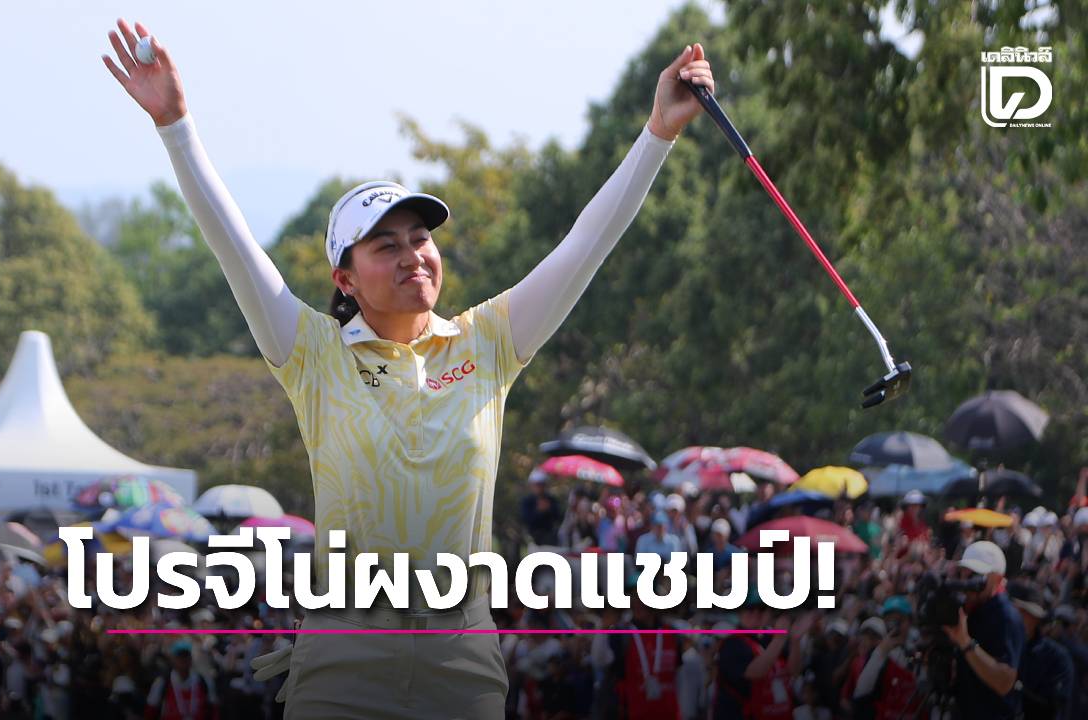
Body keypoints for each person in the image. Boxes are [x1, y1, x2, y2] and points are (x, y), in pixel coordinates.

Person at [102, 16, 716, 719]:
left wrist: (657, 134)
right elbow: (234, 246)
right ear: (345, 278)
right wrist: (176, 126)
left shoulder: (487, 342)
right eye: (385, 246)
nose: (412, 256)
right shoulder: (313, 354)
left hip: (463, 681)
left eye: (420, 238)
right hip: (340, 682)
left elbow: (586, 245)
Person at [943, 540, 1024, 719]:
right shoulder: (969, 607)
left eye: (976, 574)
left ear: (997, 578)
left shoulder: (1006, 617)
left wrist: (966, 643)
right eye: (965, 573)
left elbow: (1005, 682)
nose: (968, 581)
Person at [713, 593, 813, 720]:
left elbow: (794, 671)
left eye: (761, 609)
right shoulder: (732, 644)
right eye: (750, 609)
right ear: (740, 613)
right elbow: (756, 672)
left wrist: (795, 641)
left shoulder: (771, 639)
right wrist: (779, 639)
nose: (756, 613)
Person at [1008, 581, 1074, 720]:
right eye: (1014, 610)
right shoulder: (995, 645)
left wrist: (1015, 686)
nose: (1016, 617)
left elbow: (1055, 706)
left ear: (1036, 619)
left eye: (1025, 613)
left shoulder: (1056, 657)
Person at [146, 641, 218, 720]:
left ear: (191, 659)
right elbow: (150, 712)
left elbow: (214, 711)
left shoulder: (204, 682)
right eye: (179, 656)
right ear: (173, 659)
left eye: (186, 656)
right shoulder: (161, 683)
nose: (183, 660)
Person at [521, 472, 563, 546]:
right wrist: (538, 511)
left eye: (541, 484)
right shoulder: (527, 501)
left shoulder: (551, 500)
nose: (539, 487)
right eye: (537, 485)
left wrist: (549, 509)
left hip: (551, 537)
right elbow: (525, 519)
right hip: (533, 537)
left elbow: (558, 517)